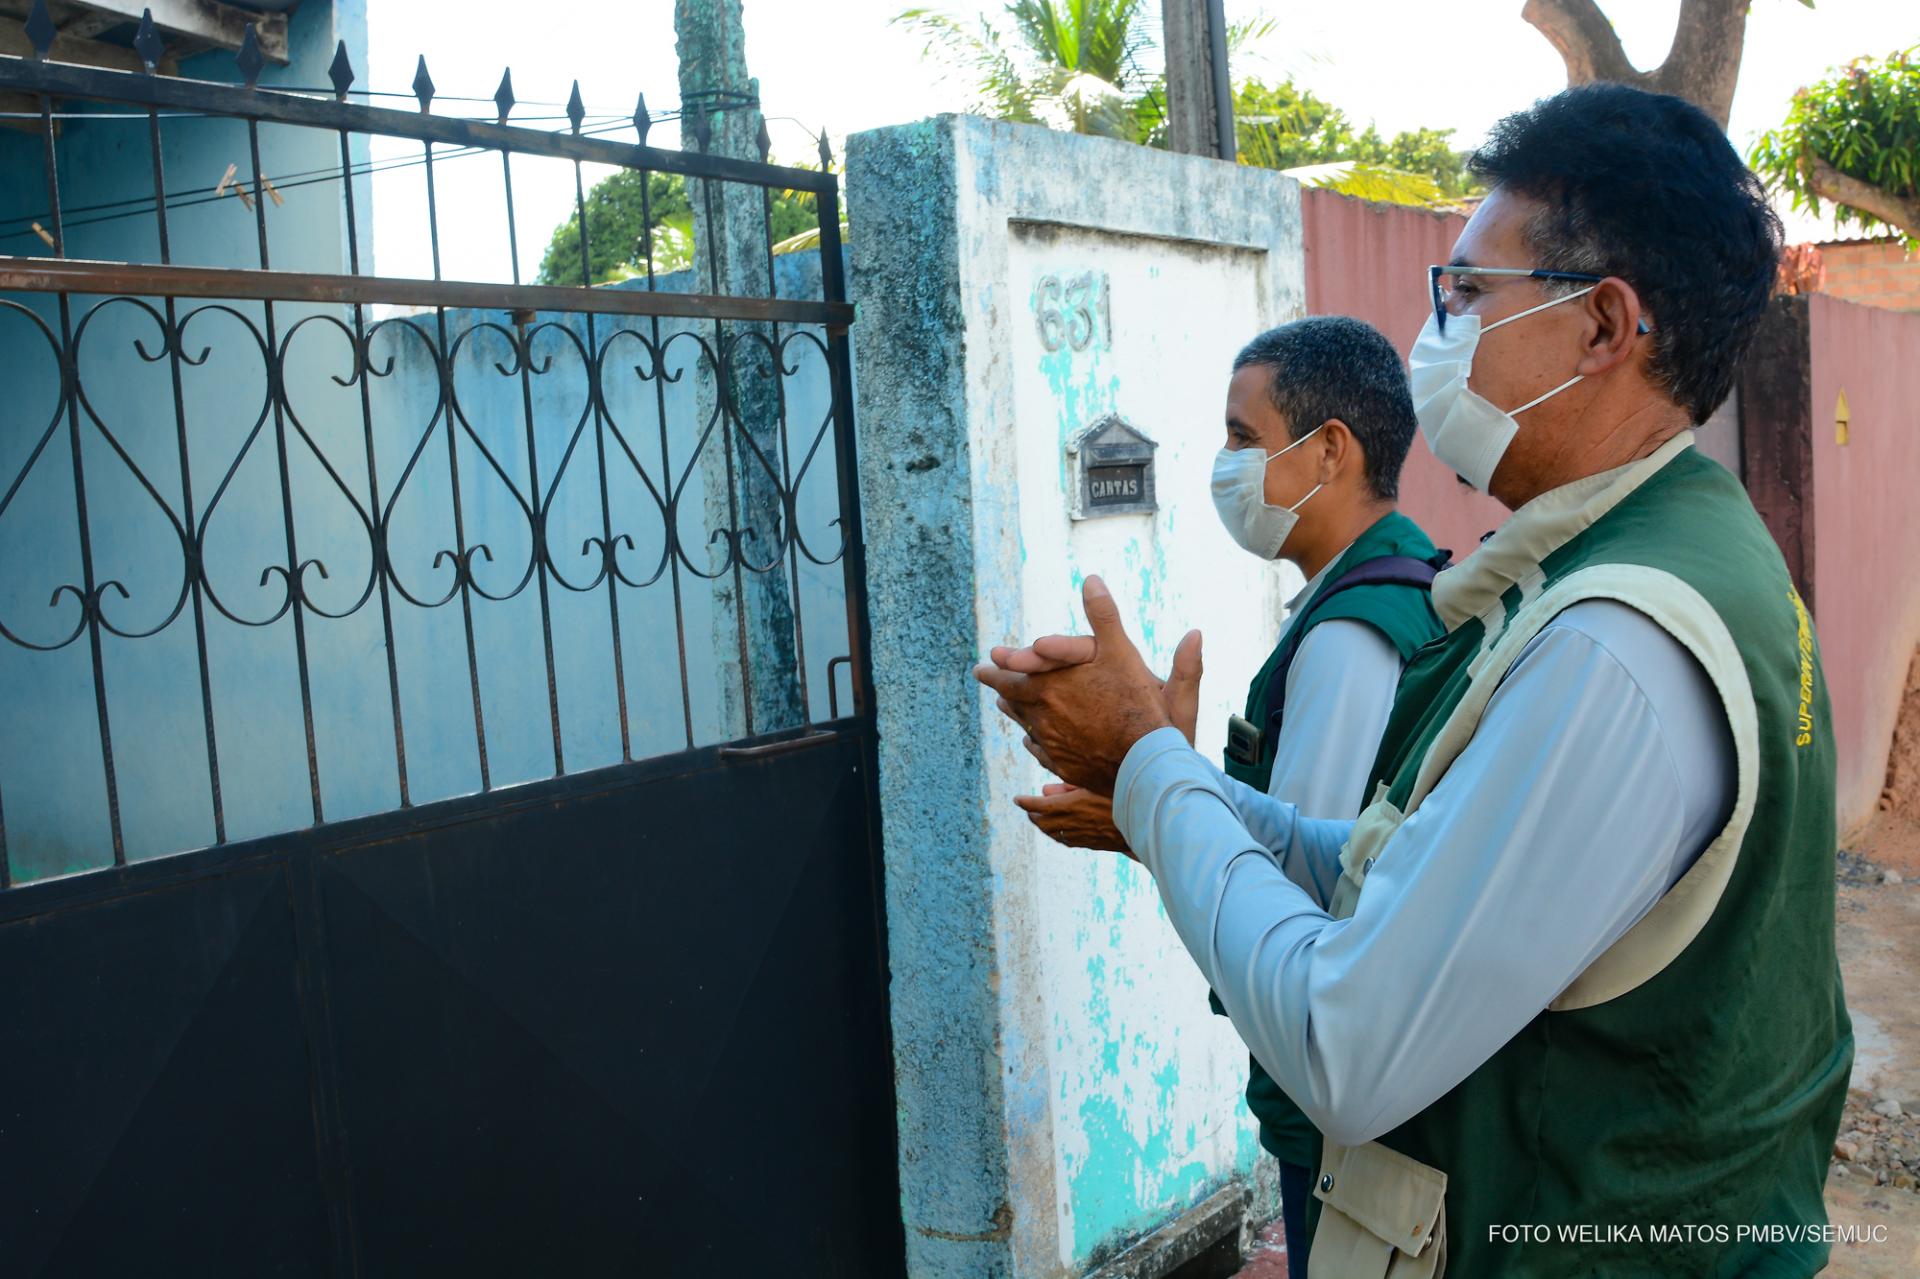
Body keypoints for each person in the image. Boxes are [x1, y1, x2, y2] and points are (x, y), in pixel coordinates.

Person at [978, 83, 1851, 1278]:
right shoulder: (1653, 560)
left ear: (1602, 327)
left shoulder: (1616, 640)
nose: (1438, 333)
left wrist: (1147, 764)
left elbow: (1350, 1040)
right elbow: (1390, 871)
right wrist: (1168, 786)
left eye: (1468, 294)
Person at [1015, 316, 1446, 1279]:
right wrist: (1156, 796)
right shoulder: (1401, 590)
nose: (1224, 465)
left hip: (1334, 1117)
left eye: (1242, 438)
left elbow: (1301, 902)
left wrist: (1149, 795)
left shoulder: (1351, 635)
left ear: (1330, 448)